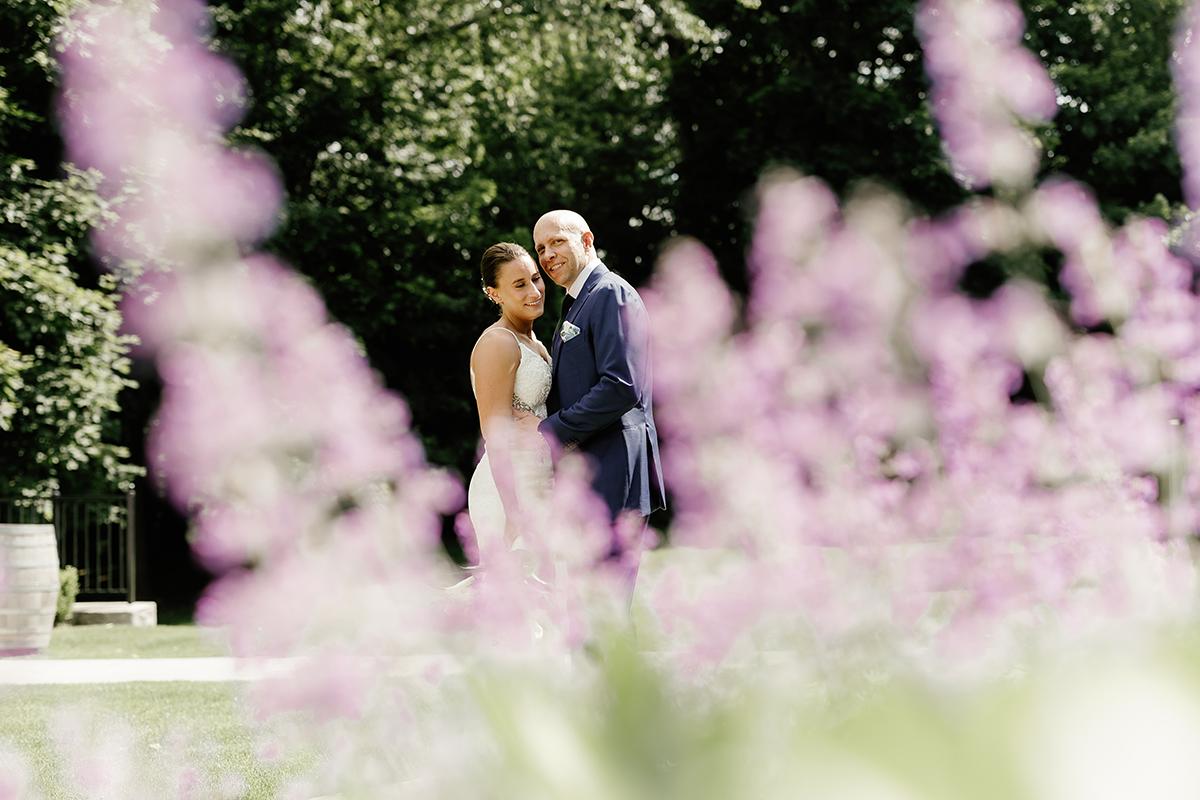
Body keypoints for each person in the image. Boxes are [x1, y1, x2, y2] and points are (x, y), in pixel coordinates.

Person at [530, 209, 666, 561]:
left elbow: (621, 386)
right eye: (540, 248)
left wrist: (553, 429)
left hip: (615, 470)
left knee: (606, 603)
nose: (547, 255)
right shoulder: (577, 302)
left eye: (557, 241)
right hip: (591, 472)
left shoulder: (610, 293)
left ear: (586, 241)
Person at [467, 242, 554, 558]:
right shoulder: (498, 343)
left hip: (539, 479)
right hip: (509, 489)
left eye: (535, 278)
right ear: (494, 293)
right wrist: (514, 515)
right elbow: (495, 437)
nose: (534, 290)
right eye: (519, 284)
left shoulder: (533, 341)